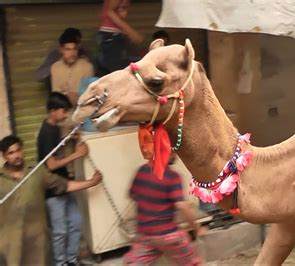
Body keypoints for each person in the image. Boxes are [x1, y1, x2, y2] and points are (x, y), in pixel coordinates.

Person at [0, 135, 102, 265]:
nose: (17, 155)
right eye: (11, 153)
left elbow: (65, 185)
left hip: (37, 240)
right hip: (10, 242)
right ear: (4, 156)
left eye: (19, 150)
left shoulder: (36, 171)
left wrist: (91, 182)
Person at [36, 92, 91, 266]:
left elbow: (54, 151)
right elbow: (51, 165)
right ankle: (60, 263)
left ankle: (71, 260)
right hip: (53, 188)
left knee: (75, 222)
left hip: (65, 182)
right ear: (52, 111)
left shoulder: (54, 127)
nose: (66, 115)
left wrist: (68, 140)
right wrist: (77, 154)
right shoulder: (46, 133)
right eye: (63, 111)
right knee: (60, 231)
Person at [124, 153, 205, 265]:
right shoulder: (172, 176)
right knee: (191, 262)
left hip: (145, 235)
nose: (176, 155)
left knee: (133, 263)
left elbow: (132, 194)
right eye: (173, 152)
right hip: (168, 235)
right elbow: (181, 205)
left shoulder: (141, 171)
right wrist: (197, 228)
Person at [97, 0, 144, 76]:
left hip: (114, 35)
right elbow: (110, 11)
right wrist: (131, 32)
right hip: (111, 35)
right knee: (118, 74)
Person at [51, 29, 94, 106]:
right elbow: (56, 96)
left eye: (74, 49)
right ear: (61, 50)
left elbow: (89, 96)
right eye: (68, 49)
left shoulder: (87, 67)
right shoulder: (55, 67)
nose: (72, 53)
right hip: (62, 112)